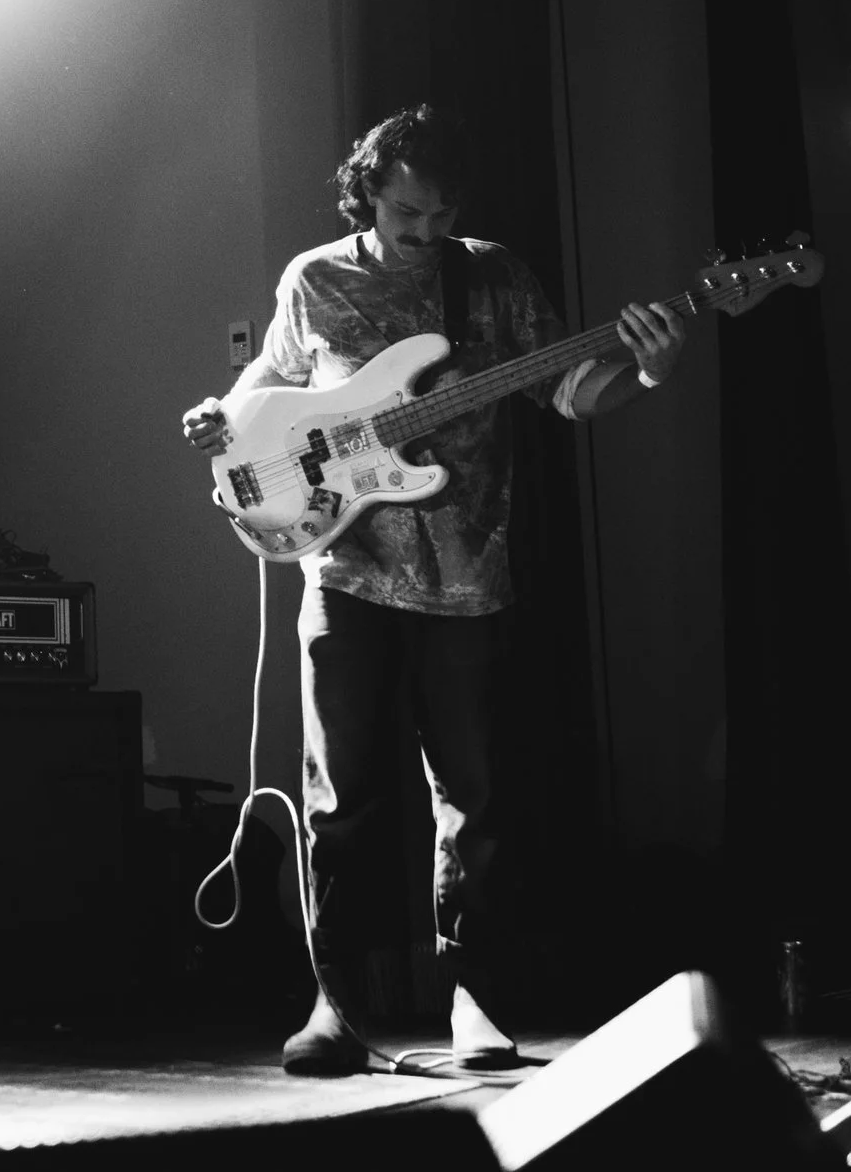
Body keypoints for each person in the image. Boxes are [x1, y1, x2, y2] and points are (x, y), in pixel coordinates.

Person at [180, 104, 684, 1076]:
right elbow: (268, 385)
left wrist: (650, 373)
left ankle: (475, 997)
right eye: (406, 211)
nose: (425, 230)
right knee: (340, 797)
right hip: (345, 570)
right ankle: (335, 1002)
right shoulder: (314, 278)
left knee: (476, 802)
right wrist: (221, 417)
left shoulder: (492, 276)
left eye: (441, 212)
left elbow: (571, 391)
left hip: (468, 575)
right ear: (367, 191)